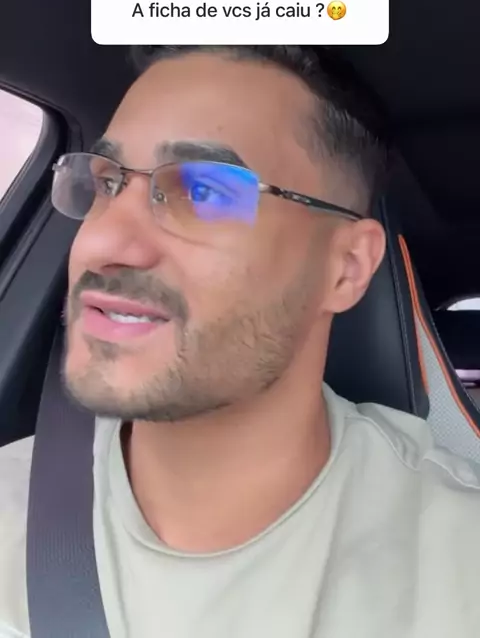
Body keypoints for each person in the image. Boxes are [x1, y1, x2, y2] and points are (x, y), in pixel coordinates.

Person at [1, 45, 479, 638]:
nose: (102, 245)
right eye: (106, 184)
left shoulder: (458, 567)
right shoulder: (13, 510)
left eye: (203, 191)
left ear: (347, 268)